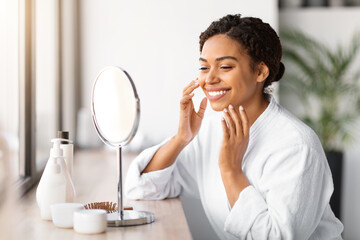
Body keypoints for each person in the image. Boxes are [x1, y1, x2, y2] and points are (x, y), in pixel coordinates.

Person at [125, 14, 344, 239]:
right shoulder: (210, 129)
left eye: (225, 67)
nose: (208, 79)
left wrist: (231, 170)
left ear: (260, 71)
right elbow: (141, 188)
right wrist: (181, 138)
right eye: (203, 67)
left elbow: (277, 236)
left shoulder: (296, 146)